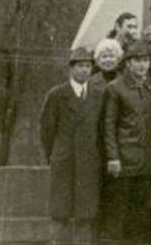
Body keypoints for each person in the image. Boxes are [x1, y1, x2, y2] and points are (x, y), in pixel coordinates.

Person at [39, 46, 104, 245]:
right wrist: (57, 154)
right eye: (80, 66)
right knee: (61, 212)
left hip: (89, 162)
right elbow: (46, 131)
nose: (85, 70)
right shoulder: (57, 95)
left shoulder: (98, 95)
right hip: (64, 160)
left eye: (88, 66)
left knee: (85, 213)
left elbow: (101, 131)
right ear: (71, 68)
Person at [102, 40, 151, 244]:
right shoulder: (115, 88)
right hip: (124, 161)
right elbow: (108, 126)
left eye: (145, 60)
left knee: (140, 215)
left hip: (146, 162)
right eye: (137, 61)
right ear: (127, 63)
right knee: (118, 213)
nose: (142, 65)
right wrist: (113, 157)